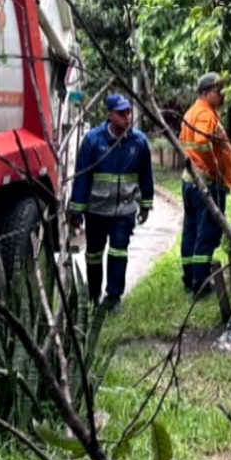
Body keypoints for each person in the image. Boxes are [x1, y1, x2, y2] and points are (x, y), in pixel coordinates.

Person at [69, 94, 155, 310]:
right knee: (94, 255)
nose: (127, 117)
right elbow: (82, 177)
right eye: (121, 113)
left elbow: (146, 176)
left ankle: (114, 297)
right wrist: (77, 211)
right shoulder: (92, 141)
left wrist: (145, 204)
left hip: (124, 211)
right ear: (110, 115)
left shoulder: (139, 142)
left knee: (119, 251)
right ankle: (93, 295)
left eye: (128, 112)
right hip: (97, 210)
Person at [180, 72, 231, 295]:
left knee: (191, 232)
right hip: (206, 184)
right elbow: (203, 143)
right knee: (207, 233)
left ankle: (190, 276)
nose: (222, 95)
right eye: (218, 91)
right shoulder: (204, 114)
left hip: (191, 182)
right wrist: (215, 172)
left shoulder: (193, 112)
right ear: (206, 93)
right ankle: (201, 283)